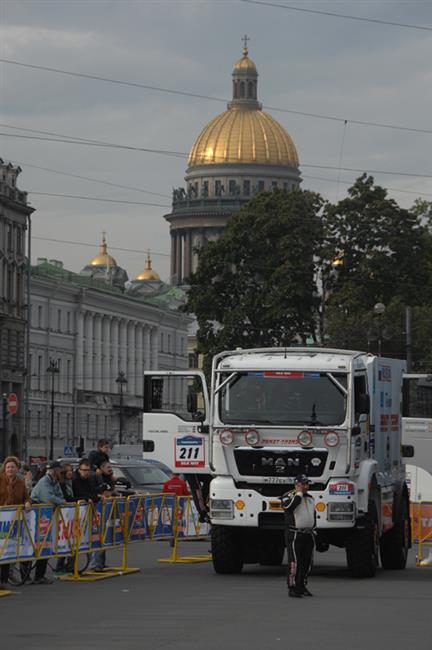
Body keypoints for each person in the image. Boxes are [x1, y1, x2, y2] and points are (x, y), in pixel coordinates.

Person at [30, 460, 66, 585]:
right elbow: (48, 498)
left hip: (46, 516)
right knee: (33, 545)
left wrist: (59, 500)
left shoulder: (54, 482)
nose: (60, 472)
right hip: (37, 515)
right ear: (54, 470)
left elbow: (60, 495)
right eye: (59, 470)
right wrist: (60, 501)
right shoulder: (44, 481)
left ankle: (40, 575)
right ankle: (29, 575)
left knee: (45, 545)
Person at [281, 474, 316, 598]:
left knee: (307, 562)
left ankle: (302, 586)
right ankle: (292, 587)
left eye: (307, 484)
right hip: (294, 533)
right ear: (297, 485)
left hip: (308, 534)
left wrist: (314, 528)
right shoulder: (288, 496)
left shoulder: (311, 498)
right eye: (304, 484)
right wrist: (299, 494)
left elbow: (313, 514)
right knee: (294, 562)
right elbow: (288, 507)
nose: (307, 486)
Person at [0, 456, 32, 590]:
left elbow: (26, 497)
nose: (10, 469)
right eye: (8, 467)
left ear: (17, 469)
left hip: (13, 520)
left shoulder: (20, 483)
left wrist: (27, 503)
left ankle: (3, 579)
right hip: (1, 518)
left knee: (8, 551)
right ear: (4, 469)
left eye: (12, 467)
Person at [54, 463, 75, 577]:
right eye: (67, 471)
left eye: (71, 470)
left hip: (73, 515)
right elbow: (67, 497)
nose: (70, 472)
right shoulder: (61, 484)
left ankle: (71, 566)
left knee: (74, 542)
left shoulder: (73, 483)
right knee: (65, 541)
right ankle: (59, 567)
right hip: (64, 515)